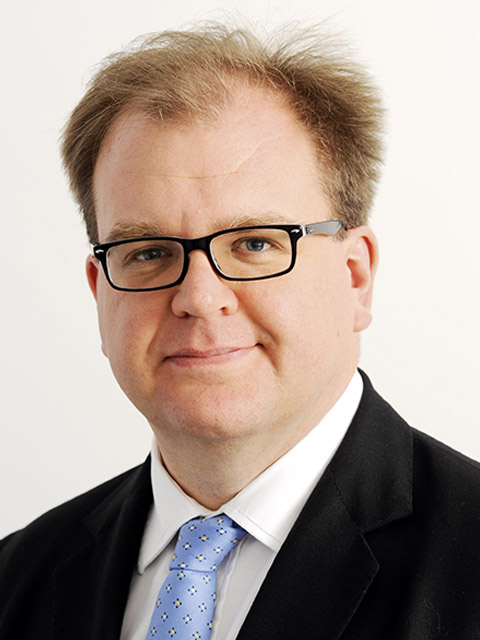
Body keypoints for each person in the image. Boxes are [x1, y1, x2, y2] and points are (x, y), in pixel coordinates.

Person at [1, 22, 480, 640]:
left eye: (255, 243)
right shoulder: (16, 580)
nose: (199, 299)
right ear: (101, 291)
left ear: (355, 276)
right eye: (149, 252)